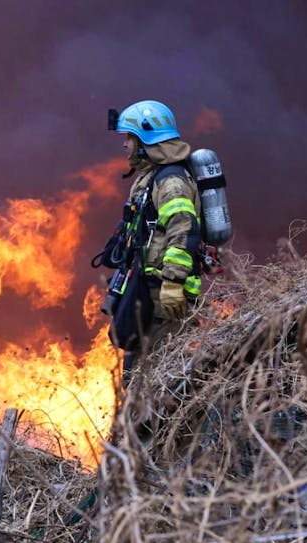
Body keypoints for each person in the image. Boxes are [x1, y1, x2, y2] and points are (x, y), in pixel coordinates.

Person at [109, 100, 202, 374]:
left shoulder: (171, 182)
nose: (125, 144)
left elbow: (183, 230)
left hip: (165, 298)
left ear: (145, 139)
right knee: (135, 371)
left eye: (129, 137)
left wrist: (173, 283)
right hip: (148, 293)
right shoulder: (151, 177)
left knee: (153, 379)